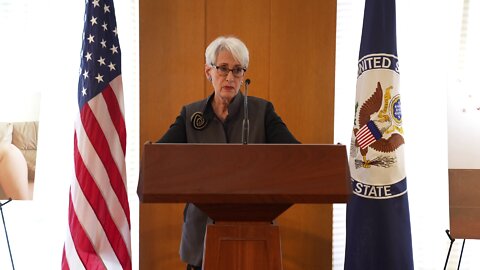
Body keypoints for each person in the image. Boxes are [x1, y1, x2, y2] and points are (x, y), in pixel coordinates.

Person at [157, 35, 299, 270]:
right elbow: (160, 159)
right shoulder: (190, 115)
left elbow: (295, 157)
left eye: (237, 70)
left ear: (244, 74)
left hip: (254, 234)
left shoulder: (262, 112)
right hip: (200, 237)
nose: (230, 77)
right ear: (208, 71)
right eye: (223, 69)